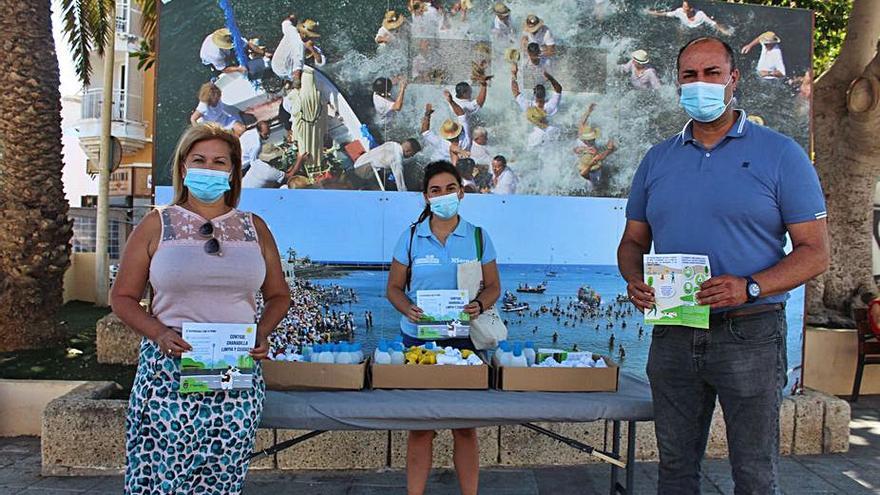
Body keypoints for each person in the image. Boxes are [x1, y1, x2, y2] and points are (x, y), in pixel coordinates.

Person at [618, 37, 828, 494]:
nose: (701, 84)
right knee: (674, 470)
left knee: (754, 473)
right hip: (673, 332)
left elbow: (815, 251)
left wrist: (749, 287)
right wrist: (635, 279)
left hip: (750, 332)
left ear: (734, 79)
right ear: (677, 82)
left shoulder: (782, 154)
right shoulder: (658, 159)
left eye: (712, 73)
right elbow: (633, 242)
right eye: (690, 75)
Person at [111, 123, 290, 494]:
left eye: (219, 161)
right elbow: (123, 297)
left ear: (233, 171)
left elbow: (278, 295)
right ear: (182, 168)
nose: (209, 169)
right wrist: (158, 332)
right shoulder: (155, 224)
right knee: (163, 479)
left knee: (222, 480)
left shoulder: (255, 227)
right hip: (168, 375)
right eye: (199, 160)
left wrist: (262, 331)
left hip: (234, 376)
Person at [386, 160, 501, 495]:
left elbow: (494, 286)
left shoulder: (478, 237)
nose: (443, 195)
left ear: (461, 193)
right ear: (426, 197)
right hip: (418, 344)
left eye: (450, 189)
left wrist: (479, 305)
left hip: (466, 344)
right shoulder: (409, 237)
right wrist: (408, 308)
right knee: (421, 428)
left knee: (465, 427)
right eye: (435, 190)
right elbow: (393, 288)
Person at [271, 15, 324, 89]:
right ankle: (288, 83)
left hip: (274, 64)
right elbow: (297, 72)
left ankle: (287, 83)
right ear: (305, 35)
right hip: (283, 72)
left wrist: (292, 17)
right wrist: (297, 84)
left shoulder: (291, 30)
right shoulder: (300, 47)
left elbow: (285, 22)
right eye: (311, 36)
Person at [349, 138, 422, 191]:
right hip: (362, 172)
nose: (411, 156)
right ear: (408, 151)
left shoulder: (392, 143)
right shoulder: (397, 161)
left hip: (358, 163)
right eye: (412, 154)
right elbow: (401, 187)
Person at [649, 1, 731, 35]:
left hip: (698, 29)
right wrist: (652, 13)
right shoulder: (679, 11)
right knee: (680, 30)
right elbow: (666, 14)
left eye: (685, 7)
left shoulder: (700, 15)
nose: (683, 8)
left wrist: (723, 31)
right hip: (685, 28)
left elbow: (713, 23)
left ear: (691, 9)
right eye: (683, 6)